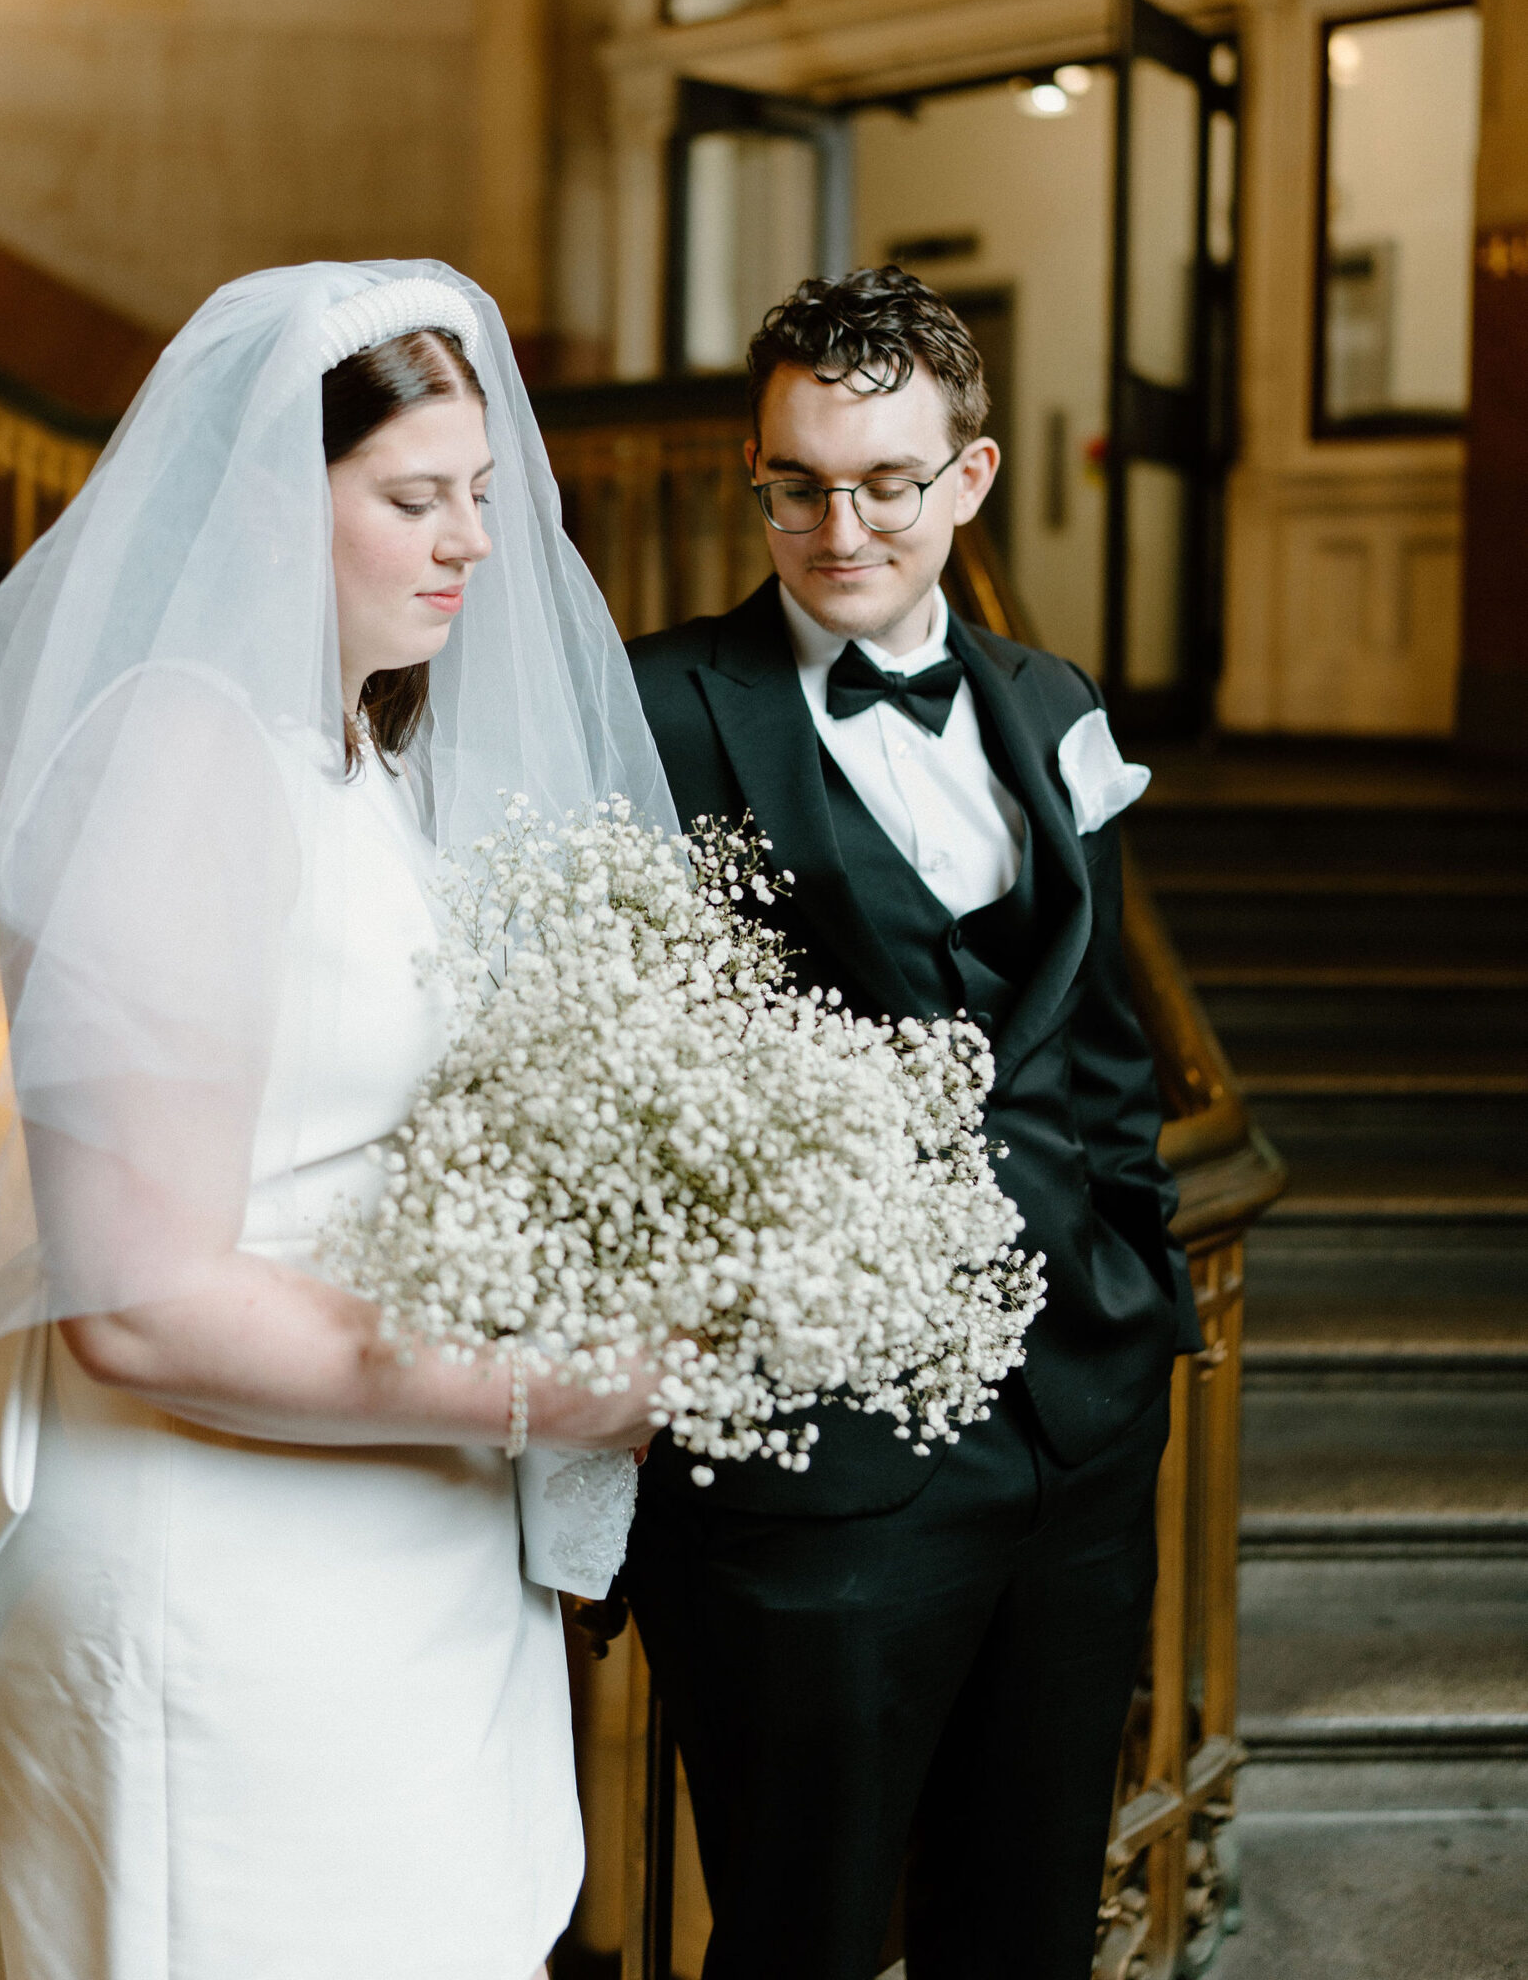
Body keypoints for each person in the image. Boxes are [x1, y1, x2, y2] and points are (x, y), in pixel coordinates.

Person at [0, 260, 674, 1980]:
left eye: (482, 499)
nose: (472, 546)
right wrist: (542, 1388)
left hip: (399, 1566)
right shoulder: (180, 761)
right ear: (278, 505)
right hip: (217, 1589)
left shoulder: (353, 764)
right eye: (414, 498)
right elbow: (138, 1303)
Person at [622, 265, 1202, 1980]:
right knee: (798, 1931)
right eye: (795, 482)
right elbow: (614, 1088)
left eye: (884, 481)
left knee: (1023, 1924)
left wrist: (1138, 1305)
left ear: (972, 476)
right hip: (822, 1471)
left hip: (1078, 1428)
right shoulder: (656, 710)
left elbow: (1097, 1046)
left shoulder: (1052, 698)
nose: (837, 526)